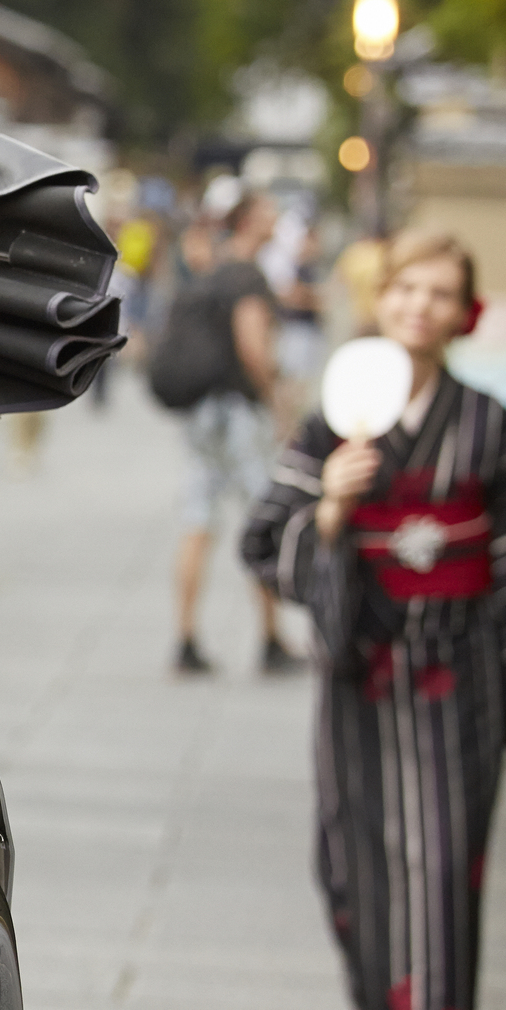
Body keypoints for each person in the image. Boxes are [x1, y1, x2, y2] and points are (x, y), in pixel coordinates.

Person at [242, 229, 506, 1010]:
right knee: (358, 869)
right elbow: (261, 539)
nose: (420, 306)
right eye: (406, 288)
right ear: (381, 298)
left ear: (464, 313)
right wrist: (331, 510)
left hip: (464, 678)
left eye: (441, 294)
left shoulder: (487, 423)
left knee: (447, 872)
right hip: (363, 674)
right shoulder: (332, 421)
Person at [162, 187, 297, 673]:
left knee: (198, 518)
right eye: (268, 211)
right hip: (237, 412)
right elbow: (254, 348)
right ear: (247, 222)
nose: (276, 217)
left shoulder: (214, 271)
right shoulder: (247, 275)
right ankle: (271, 639)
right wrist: (277, 402)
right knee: (262, 516)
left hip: (202, 413)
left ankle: (186, 638)